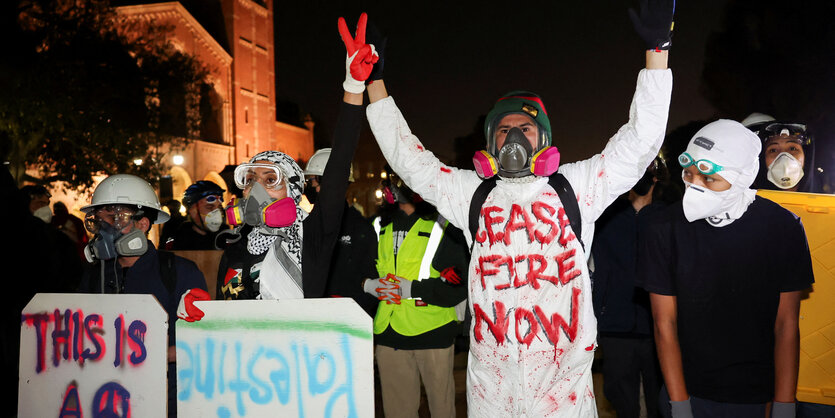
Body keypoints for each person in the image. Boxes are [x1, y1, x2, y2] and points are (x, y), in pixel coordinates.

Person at [363, 2, 674, 415]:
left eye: (526, 129)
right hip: (491, 394)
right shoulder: (470, 193)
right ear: (490, 143)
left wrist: (657, 54)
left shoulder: (575, 186)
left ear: (543, 139)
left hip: (563, 395)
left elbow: (639, 143)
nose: (515, 137)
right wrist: (376, 85)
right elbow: (409, 160)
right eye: (504, 129)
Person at [638, 120, 814, 418]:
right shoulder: (663, 228)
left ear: (744, 176)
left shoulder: (782, 227)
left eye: (709, 179)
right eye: (689, 175)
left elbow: (786, 324)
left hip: (758, 397)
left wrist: (784, 403)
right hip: (688, 390)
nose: (695, 187)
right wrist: (679, 405)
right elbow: (663, 323)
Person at [208, 13, 376, 303]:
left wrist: (353, 88)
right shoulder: (234, 249)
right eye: (250, 180)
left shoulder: (313, 238)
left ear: (292, 189)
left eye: (270, 179)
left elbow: (336, 173)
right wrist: (196, 314)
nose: (255, 188)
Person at [77, 173, 208, 417]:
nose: (105, 228)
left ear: (143, 224)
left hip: (166, 398)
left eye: (115, 218)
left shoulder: (179, 272)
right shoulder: (95, 274)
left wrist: (147, 354)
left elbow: (200, 341)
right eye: (100, 219)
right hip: (104, 398)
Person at [362, 169, 469, 418]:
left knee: (441, 410)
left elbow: (459, 285)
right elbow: (355, 269)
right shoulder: (378, 225)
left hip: (432, 332)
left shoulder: (444, 226)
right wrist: (368, 285)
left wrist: (411, 289)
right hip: (389, 334)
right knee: (398, 411)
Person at [591, 157, 668, 418]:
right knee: (622, 403)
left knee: (663, 401)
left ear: (656, 177)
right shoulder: (604, 217)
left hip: (659, 326)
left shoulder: (668, 218)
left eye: (647, 171)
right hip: (615, 327)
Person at [304, 148, 379, 317]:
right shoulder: (306, 225)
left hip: (346, 321)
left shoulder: (360, 229)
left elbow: (370, 281)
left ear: (330, 183)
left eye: (312, 181)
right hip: (311, 318)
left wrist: (345, 305)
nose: (309, 187)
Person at [742, 113, 821, 193]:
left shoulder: (828, 198)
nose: (784, 157)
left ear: (806, 155)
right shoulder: (745, 202)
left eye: (792, 148)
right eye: (773, 150)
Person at [166, 180, 228, 250]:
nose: (217, 212)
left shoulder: (226, 237)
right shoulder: (179, 238)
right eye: (209, 207)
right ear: (192, 210)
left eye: (219, 207)